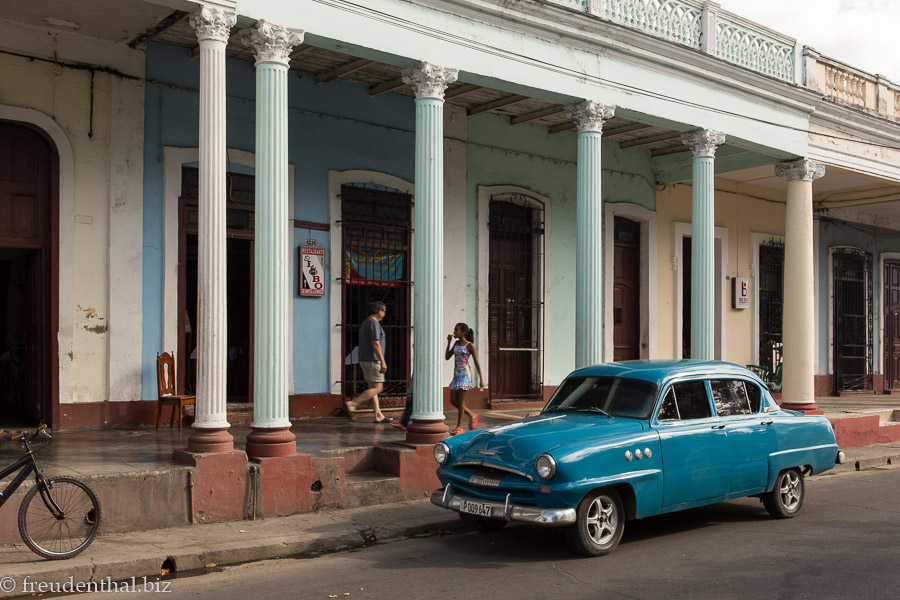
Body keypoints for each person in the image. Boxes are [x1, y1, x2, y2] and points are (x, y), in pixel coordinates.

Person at [345, 301, 392, 423]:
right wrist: (383, 361)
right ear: (379, 311)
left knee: (372, 388)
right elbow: (375, 343)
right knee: (378, 388)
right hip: (372, 360)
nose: (385, 313)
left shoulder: (366, 322)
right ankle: (353, 403)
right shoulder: (373, 323)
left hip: (365, 359)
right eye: (384, 311)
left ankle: (378, 415)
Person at [445, 322, 485, 435]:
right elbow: (447, 357)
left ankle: (459, 426)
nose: (454, 332)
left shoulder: (469, 346)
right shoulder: (456, 343)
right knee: (453, 401)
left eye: (456, 330)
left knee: (461, 401)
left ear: (463, 332)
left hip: (465, 375)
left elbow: (476, 362)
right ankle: (472, 415)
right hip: (456, 375)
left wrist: (481, 378)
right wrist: (448, 342)